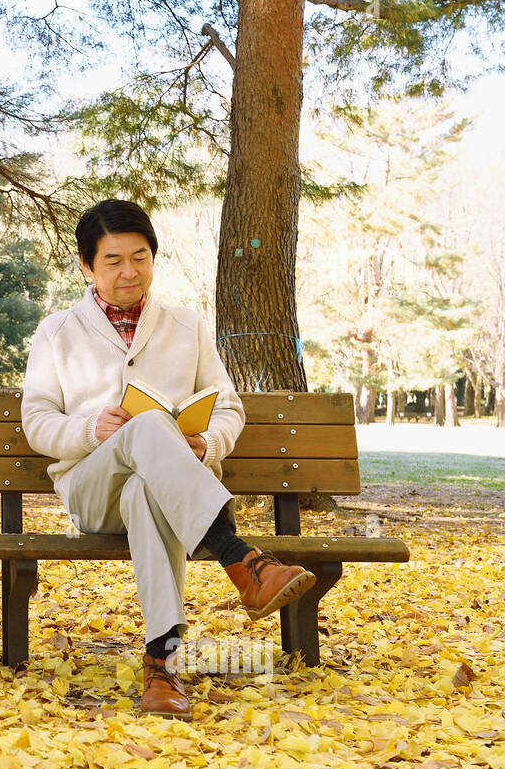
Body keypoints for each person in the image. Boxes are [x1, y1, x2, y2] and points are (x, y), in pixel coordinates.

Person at [21, 199, 316, 720]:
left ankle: (163, 665)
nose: (129, 272)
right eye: (113, 261)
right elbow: (36, 421)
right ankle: (239, 557)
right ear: (87, 266)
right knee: (147, 427)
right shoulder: (57, 332)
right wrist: (90, 429)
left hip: (163, 493)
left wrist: (207, 444)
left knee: (145, 488)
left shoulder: (186, 325)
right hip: (93, 492)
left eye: (140, 257)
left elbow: (227, 405)